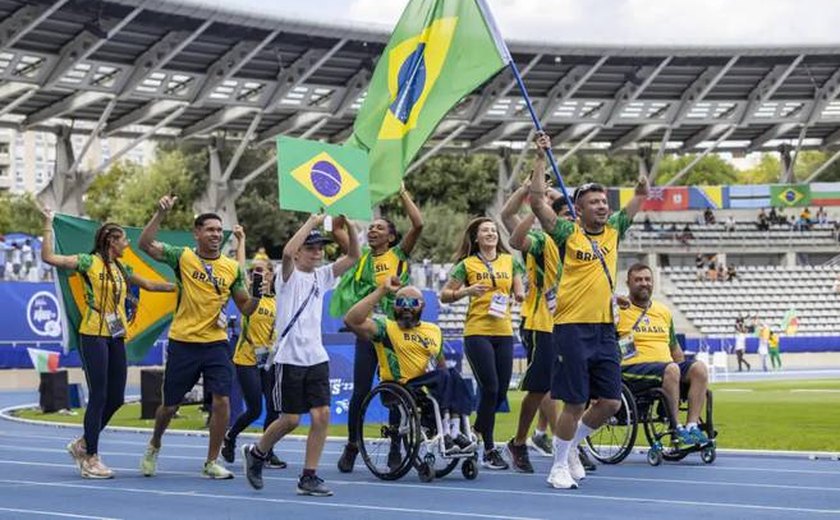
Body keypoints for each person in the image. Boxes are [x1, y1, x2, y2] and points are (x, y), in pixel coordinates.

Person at [529, 131, 649, 489]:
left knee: (611, 403)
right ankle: (557, 467)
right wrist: (540, 158)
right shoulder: (568, 234)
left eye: (604, 202)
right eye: (594, 202)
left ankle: (568, 450)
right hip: (571, 327)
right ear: (578, 209)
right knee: (576, 402)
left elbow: (638, 200)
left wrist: (642, 188)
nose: (602, 206)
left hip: (604, 329)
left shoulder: (614, 230)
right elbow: (537, 204)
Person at [40, 208, 175, 479]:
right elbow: (49, 258)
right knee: (99, 395)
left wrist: (179, 287)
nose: (127, 243)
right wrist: (47, 224)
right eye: (124, 239)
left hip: (116, 335)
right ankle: (91, 458)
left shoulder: (122, 268)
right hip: (92, 333)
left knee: (116, 398)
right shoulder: (88, 262)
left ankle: (83, 443)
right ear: (111, 241)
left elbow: (149, 284)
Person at [138, 195, 262, 479]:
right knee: (170, 406)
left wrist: (257, 297)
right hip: (184, 341)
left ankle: (211, 461)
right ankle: (155, 443)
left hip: (216, 343)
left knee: (222, 401)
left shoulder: (231, 268)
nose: (216, 234)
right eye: (210, 230)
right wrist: (159, 214)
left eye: (220, 230)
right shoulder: (182, 256)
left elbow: (245, 307)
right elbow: (144, 245)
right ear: (197, 233)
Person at [242, 214, 359, 496]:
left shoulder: (323, 275)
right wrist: (312, 221)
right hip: (289, 358)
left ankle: (309, 476)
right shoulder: (287, 276)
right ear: (299, 253)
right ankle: (257, 453)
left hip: (316, 357)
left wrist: (350, 226)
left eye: (320, 247)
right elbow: (284, 252)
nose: (317, 252)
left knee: (322, 416)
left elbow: (354, 256)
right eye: (311, 247)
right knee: (291, 419)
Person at [335, 184, 423, 473]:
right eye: (370, 227)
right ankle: (352, 446)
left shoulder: (399, 254)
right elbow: (336, 227)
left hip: (397, 332)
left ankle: (396, 446)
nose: (372, 231)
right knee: (360, 391)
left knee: (397, 392)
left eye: (379, 228)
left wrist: (400, 192)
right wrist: (341, 199)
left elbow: (419, 223)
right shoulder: (359, 257)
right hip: (369, 331)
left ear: (391, 236)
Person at [345, 278, 476, 458]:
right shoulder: (385, 328)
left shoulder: (434, 330)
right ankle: (446, 432)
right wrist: (382, 290)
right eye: (401, 302)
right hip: (401, 385)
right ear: (394, 306)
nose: (406, 306)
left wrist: (449, 383)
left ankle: (454, 431)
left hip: (425, 385)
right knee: (447, 376)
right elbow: (351, 320)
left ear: (422, 306)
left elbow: (441, 364)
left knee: (453, 375)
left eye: (412, 302)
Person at [440, 217, 524, 470]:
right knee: (490, 387)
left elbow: (518, 287)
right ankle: (488, 448)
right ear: (476, 238)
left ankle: (477, 428)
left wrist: (520, 294)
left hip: (504, 331)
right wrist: (466, 291)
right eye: (485, 230)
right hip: (477, 331)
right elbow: (445, 295)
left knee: (499, 392)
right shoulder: (466, 265)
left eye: (493, 230)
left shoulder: (510, 262)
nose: (490, 233)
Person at [500, 174, 566, 473]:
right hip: (542, 322)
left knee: (570, 387)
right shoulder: (542, 241)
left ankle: (547, 437)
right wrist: (532, 196)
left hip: (575, 322)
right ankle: (524, 440)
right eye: (560, 214)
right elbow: (507, 219)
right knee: (542, 388)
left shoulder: (584, 243)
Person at [618, 263, 710, 447]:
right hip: (632, 370)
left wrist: (685, 375)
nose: (644, 283)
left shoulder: (663, 311)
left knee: (699, 368)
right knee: (672, 369)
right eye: (638, 280)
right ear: (628, 283)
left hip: (667, 368)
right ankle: (676, 428)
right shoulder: (618, 309)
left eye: (647, 279)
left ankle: (692, 425)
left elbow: (674, 348)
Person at [220, 226, 284, 469]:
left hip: (269, 360)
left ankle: (266, 450)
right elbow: (238, 267)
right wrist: (242, 239)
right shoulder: (249, 294)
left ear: (271, 274)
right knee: (255, 408)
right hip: (246, 358)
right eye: (255, 271)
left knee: (275, 408)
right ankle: (230, 436)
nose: (260, 275)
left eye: (263, 271)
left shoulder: (278, 299)